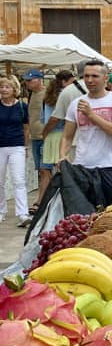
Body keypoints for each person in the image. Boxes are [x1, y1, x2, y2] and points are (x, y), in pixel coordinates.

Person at [58, 60, 112, 208]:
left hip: (108, 166)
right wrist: (62, 155)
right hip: (81, 166)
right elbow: (67, 135)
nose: (89, 80)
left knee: (111, 214)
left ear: (106, 78)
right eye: (86, 76)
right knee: (83, 216)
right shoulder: (76, 103)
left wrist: (91, 115)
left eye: (95, 76)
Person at [0, 75, 30, 227]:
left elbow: (26, 128)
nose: (3, 89)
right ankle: (1, 211)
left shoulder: (22, 106)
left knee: (19, 180)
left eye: (7, 87)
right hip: (0, 147)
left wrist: (25, 147)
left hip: (17, 145)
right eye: (2, 87)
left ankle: (22, 214)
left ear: (14, 89)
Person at [24, 68, 51, 207]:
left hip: (46, 137)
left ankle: (40, 201)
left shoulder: (47, 94)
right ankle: (45, 199)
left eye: (30, 80)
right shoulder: (31, 94)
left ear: (39, 79)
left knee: (45, 169)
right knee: (41, 170)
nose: (27, 83)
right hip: (35, 137)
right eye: (26, 80)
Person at [40, 70, 74, 181]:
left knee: (57, 172)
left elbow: (47, 119)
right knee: (66, 171)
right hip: (65, 135)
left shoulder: (49, 97)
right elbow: (55, 119)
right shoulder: (67, 95)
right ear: (64, 81)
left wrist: (45, 133)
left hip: (52, 135)